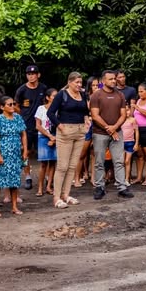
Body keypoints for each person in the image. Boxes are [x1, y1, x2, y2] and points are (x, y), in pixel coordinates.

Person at [90, 70, 133, 199]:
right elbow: (95, 116)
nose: (114, 81)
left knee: (119, 161)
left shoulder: (120, 95)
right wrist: (109, 129)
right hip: (100, 133)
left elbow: (123, 114)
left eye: (115, 78)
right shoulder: (96, 95)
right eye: (110, 79)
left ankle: (122, 187)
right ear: (103, 81)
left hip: (117, 132)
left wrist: (114, 128)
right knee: (99, 161)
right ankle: (99, 187)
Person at [50, 73, 88, 208]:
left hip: (80, 131)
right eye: (77, 82)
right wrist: (60, 127)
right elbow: (50, 113)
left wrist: (87, 120)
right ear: (69, 82)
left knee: (72, 166)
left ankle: (65, 194)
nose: (79, 85)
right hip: (65, 130)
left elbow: (85, 111)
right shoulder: (62, 94)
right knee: (62, 166)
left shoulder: (82, 94)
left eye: (80, 82)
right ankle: (56, 197)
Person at [0, 96, 27, 215]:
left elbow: (23, 134)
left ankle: (14, 206)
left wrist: (25, 150)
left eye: (13, 104)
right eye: (9, 104)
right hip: (3, 152)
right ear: (2, 107)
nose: (12, 106)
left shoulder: (18, 118)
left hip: (15, 153)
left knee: (14, 180)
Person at [15, 65, 48, 190]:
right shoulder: (22, 90)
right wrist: (24, 116)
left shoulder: (43, 88)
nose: (31, 76)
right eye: (28, 74)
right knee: (26, 152)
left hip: (41, 126)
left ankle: (46, 176)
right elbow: (16, 106)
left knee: (43, 153)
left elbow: (47, 103)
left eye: (33, 74)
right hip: (26, 126)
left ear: (38, 75)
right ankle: (27, 176)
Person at [34, 88, 57, 197]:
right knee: (43, 164)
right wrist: (50, 136)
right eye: (53, 96)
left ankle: (48, 186)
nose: (56, 98)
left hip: (55, 136)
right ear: (47, 98)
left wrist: (54, 138)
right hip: (43, 137)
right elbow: (38, 126)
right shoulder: (41, 109)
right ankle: (40, 187)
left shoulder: (58, 109)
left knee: (53, 162)